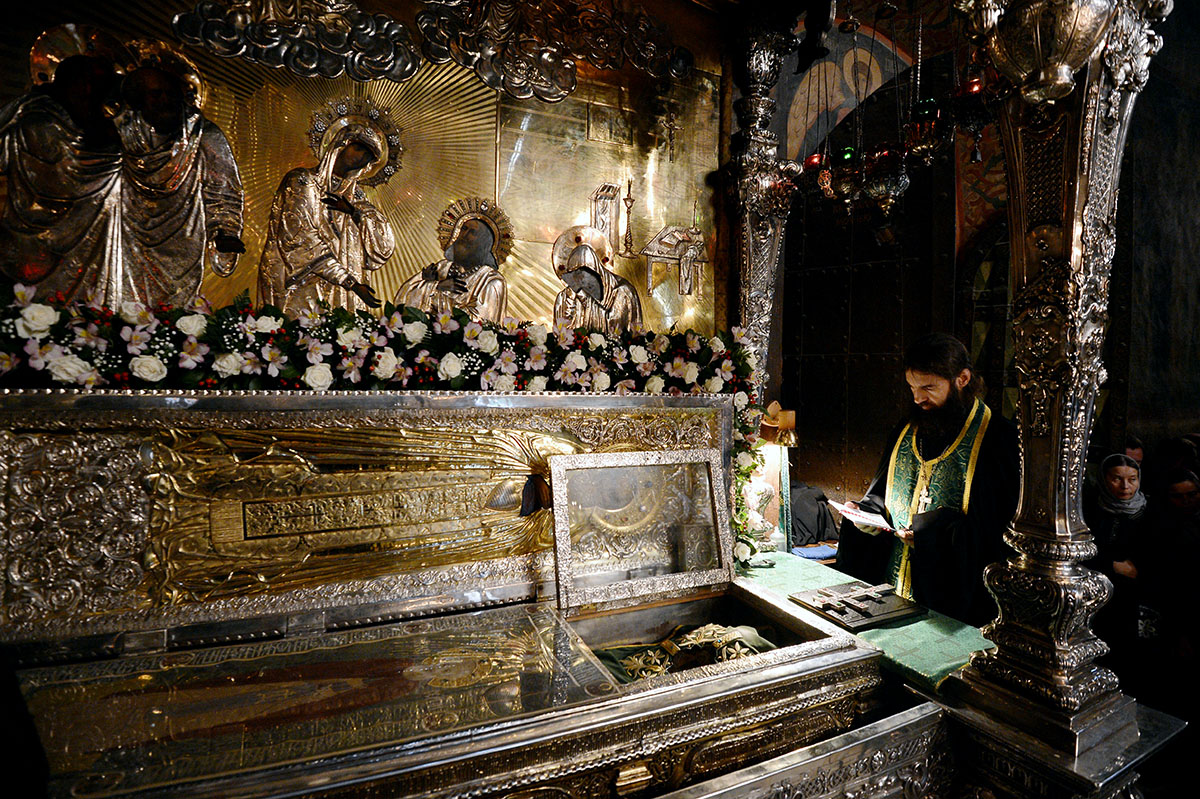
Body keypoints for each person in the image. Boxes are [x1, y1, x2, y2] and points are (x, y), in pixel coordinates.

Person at [834, 333, 1020, 627]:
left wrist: (932, 535)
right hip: (894, 586)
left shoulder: (999, 438)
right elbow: (881, 494)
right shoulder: (907, 428)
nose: (918, 398)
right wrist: (865, 513)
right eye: (912, 387)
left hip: (952, 600)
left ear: (962, 379)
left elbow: (999, 534)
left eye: (928, 387)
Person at [107, 41, 245, 307]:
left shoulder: (204, 135)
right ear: (139, 99)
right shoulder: (121, 133)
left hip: (183, 237)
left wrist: (224, 231)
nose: (165, 100)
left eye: (170, 93)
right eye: (155, 94)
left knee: (176, 311)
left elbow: (224, 191)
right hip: (128, 234)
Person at [0, 27, 124, 291]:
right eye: (82, 83)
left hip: (92, 242)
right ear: (66, 84)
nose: (88, 92)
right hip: (28, 239)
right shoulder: (33, 120)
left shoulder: (103, 128)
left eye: (96, 88)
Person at [257, 117, 391, 315]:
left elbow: (382, 248)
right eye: (358, 148)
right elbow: (300, 240)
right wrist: (350, 282)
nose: (361, 157)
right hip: (302, 285)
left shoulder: (357, 201)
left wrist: (355, 214)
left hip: (342, 292)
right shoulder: (303, 182)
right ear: (341, 144)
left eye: (368, 156)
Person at [1080, 453, 1148, 683]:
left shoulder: (1148, 512)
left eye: (1132, 479)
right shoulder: (1090, 510)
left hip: (1135, 597)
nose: (1125, 486)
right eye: (1117, 478)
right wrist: (1111, 565)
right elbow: (1082, 550)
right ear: (1104, 478)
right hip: (1097, 594)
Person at [395, 213, 508, 323]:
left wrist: (438, 296)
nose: (464, 235)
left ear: (484, 243)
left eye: (473, 232)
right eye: (464, 229)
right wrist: (437, 286)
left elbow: (479, 323)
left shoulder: (492, 281)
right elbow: (403, 298)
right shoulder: (441, 267)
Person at [551, 225, 642, 335]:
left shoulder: (621, 291)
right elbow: (562, 333)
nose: (581, 279)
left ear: (596, 270)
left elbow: (618, 328)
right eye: (575, 274)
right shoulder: (565, 297)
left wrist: (587, 303)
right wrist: (571, 302)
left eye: (585, 272)